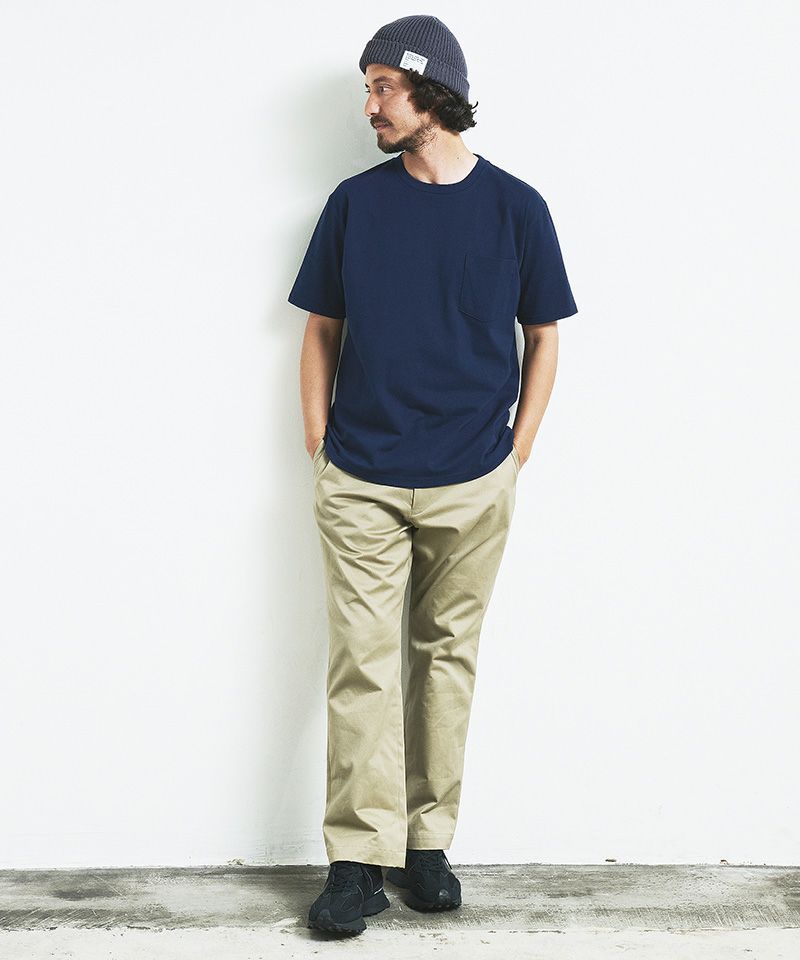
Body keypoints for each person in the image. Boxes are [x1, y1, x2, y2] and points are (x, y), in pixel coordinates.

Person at [288, 14, 578, 937]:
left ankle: (427, 845)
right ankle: (356, 862)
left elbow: (544, 336)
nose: (369, 105)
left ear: (433, 94)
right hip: (362, 476)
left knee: (446, 661)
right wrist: (319, 440)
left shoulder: (517, 207)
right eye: (367, 87)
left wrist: (516, 450)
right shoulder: (354, 204)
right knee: (362, 666)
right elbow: (321, 328)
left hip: (472, 477)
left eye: (383, 87)